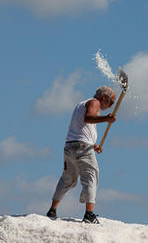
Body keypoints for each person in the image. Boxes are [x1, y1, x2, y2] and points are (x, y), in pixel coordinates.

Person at [46, 85, 117, 224]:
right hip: (82, 148)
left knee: (68, 179)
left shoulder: (82, 104)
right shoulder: (94, 102)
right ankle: (89, 214)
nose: (110, 106)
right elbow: (88, 118)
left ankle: (52, 210)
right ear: (104, 98)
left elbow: (82, 129)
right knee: (91, 177)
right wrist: (106, 119)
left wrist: (93, 145)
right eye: (111, 102)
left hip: (70, 147)